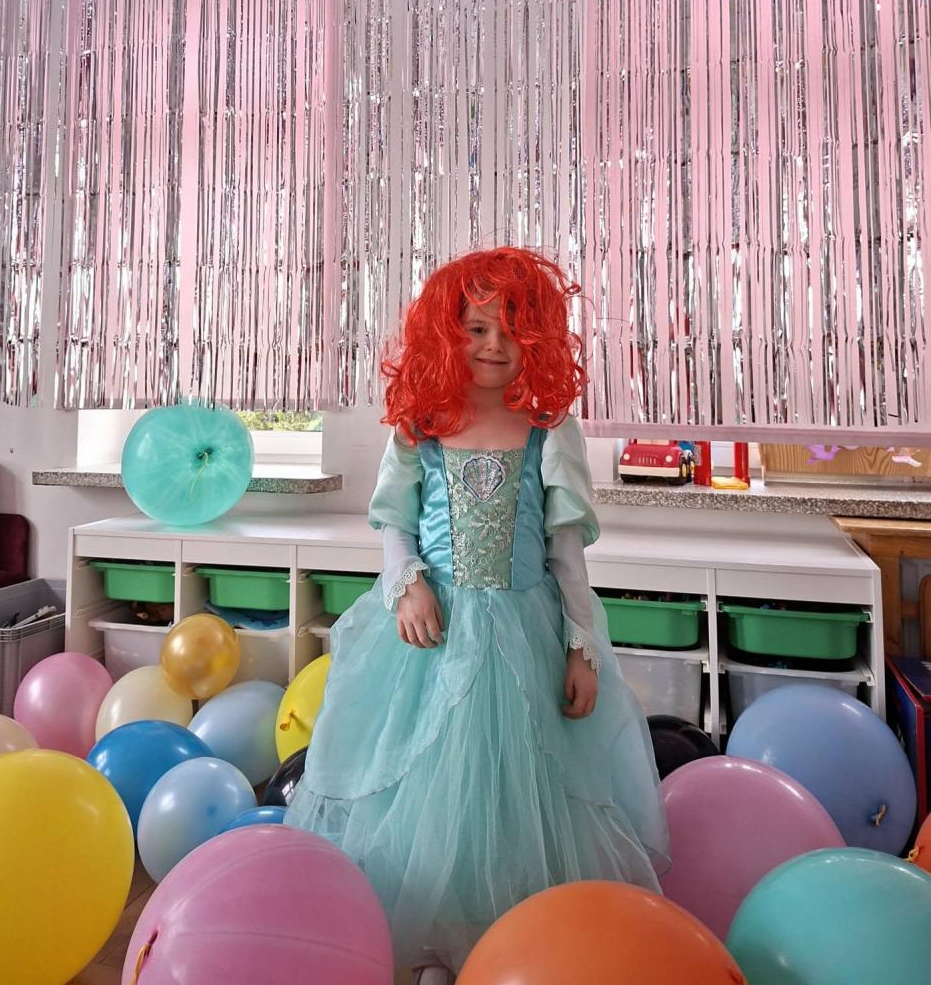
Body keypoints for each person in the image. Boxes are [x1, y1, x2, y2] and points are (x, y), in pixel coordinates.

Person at [284, 247, 669, 981]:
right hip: (434, 636)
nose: (495, 345)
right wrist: (408, 584)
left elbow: (566, 555)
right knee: (428, 785)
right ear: (446, 332)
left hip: (525, 633)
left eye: (513, 332)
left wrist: (581, 646)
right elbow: (393, 522)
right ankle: (436, 940)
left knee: (518, 790)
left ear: (538, 339)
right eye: (478, 329)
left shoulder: (547, 426)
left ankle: (522, 941)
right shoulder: (423, 424)